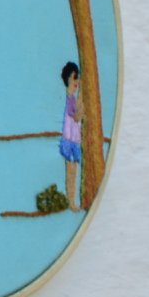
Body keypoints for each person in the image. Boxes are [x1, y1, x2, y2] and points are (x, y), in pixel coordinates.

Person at [59, 60, 82, 211]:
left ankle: (72, 200)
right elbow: (76, 116)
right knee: (71, 171)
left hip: (74, 140)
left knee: (73, 171)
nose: (76, 82)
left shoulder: (72, 99)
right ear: (68, 80)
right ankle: (71, 201)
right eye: (74, 78)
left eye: (77, 78)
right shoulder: (70, 100)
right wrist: (82, 103)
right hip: (69, 140)